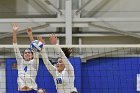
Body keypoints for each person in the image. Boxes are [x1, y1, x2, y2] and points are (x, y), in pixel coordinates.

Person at [12, 23, 39, 93]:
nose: (27, 54)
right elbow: (15, 46)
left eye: (29, 52)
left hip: (32, 90)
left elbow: (35, 49)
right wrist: (14, 32)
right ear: (23, 55)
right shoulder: (20, 61)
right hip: (21, 91)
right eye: (25, 53)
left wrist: (30, 35)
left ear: (32, 55)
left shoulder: (34, 62)